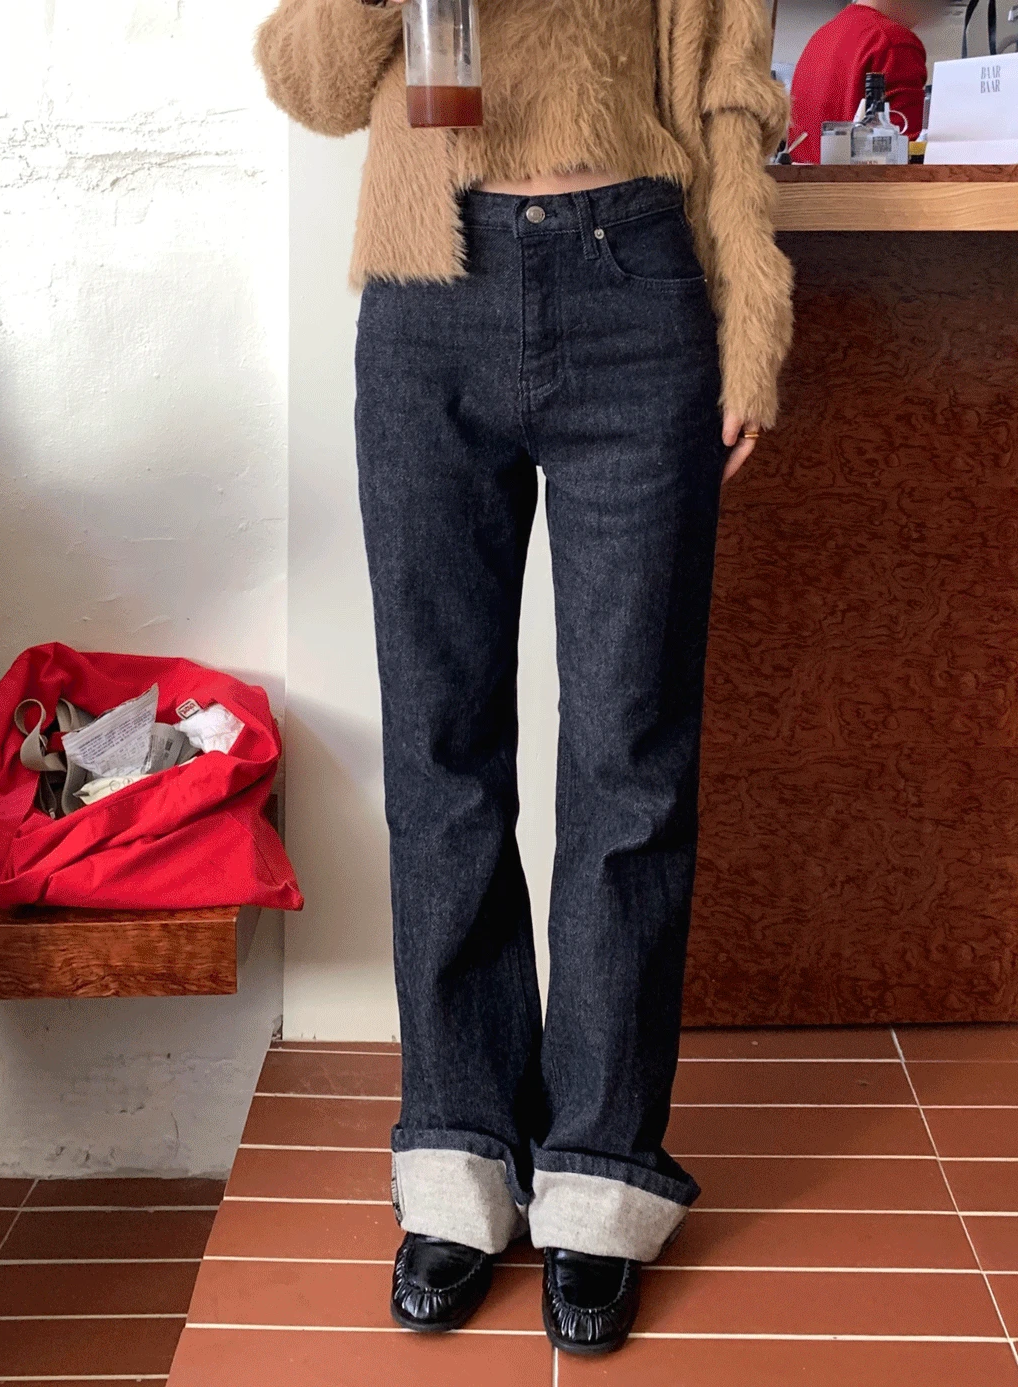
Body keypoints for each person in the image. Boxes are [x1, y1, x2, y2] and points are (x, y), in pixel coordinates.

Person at [256, 0, 793, 1356]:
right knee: (440, 751)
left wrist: (752, 318)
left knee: (628, 756)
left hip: (634, 289)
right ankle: (460, 1151)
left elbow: (728, 100)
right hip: (428, 296)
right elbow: (311, 87)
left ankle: (601, 1172)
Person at [788, 0, 935, 161]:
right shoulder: (892, 41)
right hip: (859, 177)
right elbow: (907, 155)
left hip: (802, 176)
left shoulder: (822, 36)